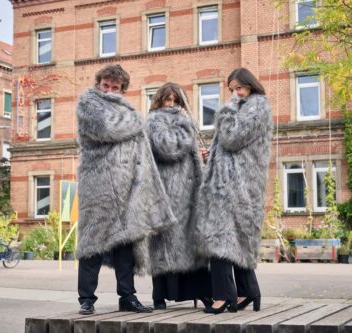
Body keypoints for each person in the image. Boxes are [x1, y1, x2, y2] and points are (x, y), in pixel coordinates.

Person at [75, 64, 176, 315]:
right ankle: (86, 299)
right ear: (98, 84)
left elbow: (141, 149)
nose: (109, 91)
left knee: (126, 244)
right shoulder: (88, 104)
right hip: (98, 185)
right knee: (92, 243)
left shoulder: (126, 109)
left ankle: (127, 297)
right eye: (105, 85)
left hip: (128, 186)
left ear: (123, 90)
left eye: (115, 87)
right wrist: (135, 120)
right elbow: (108, 128)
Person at [196, 68, 273, 314]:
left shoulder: (256, 106)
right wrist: (212, 155)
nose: (235, 94)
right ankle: (248, 290)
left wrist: (225, 111)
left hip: (235, 184)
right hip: (234, 182)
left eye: (239, 88)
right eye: (231, 90)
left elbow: (232, 138)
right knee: (235, 238)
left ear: (251, 86)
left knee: (219, 238)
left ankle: (223, 296)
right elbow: (231, 146)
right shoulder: (247, 108)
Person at [146, 82, 213, 310]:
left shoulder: (183, 123)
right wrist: (185, 124)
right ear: (160, 101)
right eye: (168, 100)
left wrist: (201, 158)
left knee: (192, 244)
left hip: (190, 196)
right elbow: (168, 148)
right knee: (164, 244)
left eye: (176, 101)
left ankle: (201, 291)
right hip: (168, 193)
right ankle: (160, 295)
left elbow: (187, 155)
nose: (172, 105)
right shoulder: (155, 121)